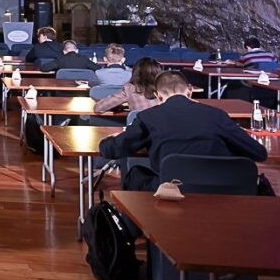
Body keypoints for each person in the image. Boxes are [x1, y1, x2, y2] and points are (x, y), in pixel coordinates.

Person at [99, 71, 267, 192]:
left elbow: (111, 150)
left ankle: (139, 226)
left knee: (134, 174)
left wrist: (109, 140)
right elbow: (259, 153)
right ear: (190, 91)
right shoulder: (217, 115)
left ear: (158, 96)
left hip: (173, 190)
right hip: (222, 189)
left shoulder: (148, 117)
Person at [94, 57, 163, 113]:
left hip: (140, 125)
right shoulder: (165, 87)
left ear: (135, 72)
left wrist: (115, 106)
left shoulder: (130, 88)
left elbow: (98, 108)